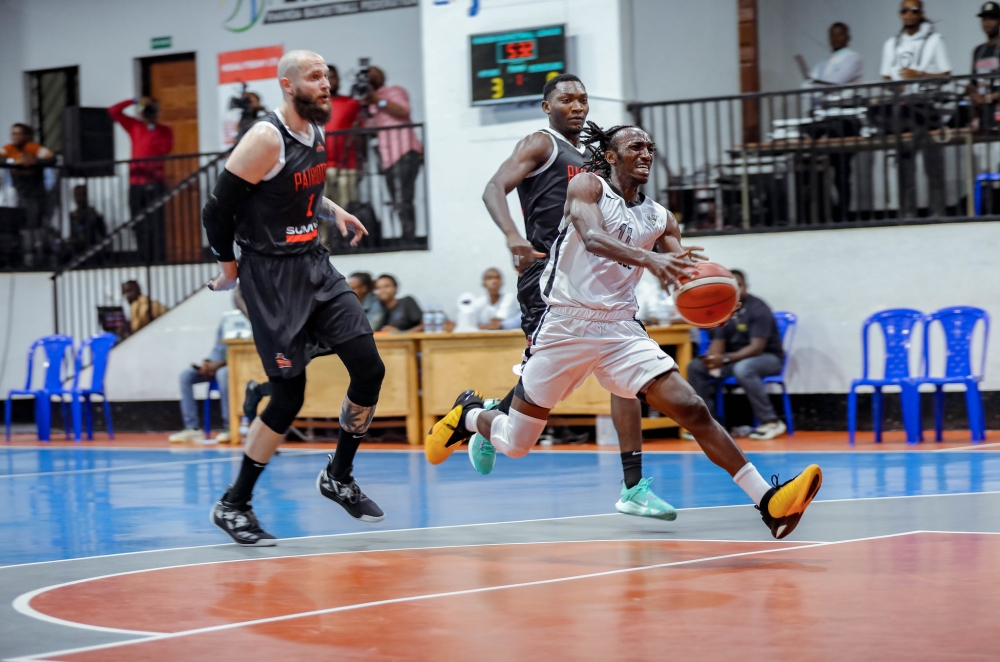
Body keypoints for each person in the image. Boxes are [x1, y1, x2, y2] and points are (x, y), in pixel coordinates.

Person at [428, 122, 822, 540]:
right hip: (566, 324)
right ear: (611, 156)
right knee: (516, 443)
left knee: (692, 408)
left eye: (650, 147)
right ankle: (470, 416)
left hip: (620, 329)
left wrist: (714, 300)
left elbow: (682, 275)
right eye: (636, 146)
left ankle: (768, 502)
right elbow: (593, 237)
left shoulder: (661, 218)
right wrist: (650, 259)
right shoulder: (587, 187)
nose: (646, 153)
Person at [202, 49, 386, 546]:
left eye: (327, 75)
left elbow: (292, 190)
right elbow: (216, 211)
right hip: (271, 277)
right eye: (314, 76)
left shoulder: (316, 130)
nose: (326, 83)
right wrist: (228, 270)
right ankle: (234, 503)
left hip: (314, 264)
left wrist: (333, 211)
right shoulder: (265, 137)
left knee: (369, 369)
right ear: (287, 84)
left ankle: (338, 476)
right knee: (289, 396)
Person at [479, 73, 653, 510]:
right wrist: (512, 236)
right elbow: (494, 187)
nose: (577, 106)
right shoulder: (542, 144)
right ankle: (481, 417)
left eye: (582, 99)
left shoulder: (594, 159)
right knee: (544, 383)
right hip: (545, 277)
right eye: (566, 99)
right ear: (547, 107)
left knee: (627, 377)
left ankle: (633, 486)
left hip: (593, 279)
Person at [687, 270, 787, 441]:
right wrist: (713, 359)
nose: (734, 290)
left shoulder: (758, 308)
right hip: (734, 359)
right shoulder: (721, 309)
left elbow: (756, 348)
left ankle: (770, 421)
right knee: (696, 367)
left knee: (744, 368)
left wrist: (725, 359)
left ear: (745, 286)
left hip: (768, 358)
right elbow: (718, 340)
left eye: (738, 285)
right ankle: (708, 425)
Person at [879, 0, 951, 218]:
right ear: (900, 14)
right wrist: (896, 85)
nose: (909, 15)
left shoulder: (934, 40)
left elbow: (946, 75)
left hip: (928, 107)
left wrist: (918, 75)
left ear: (921, 13)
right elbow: (885, 77)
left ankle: (938, 214)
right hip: (902, 109)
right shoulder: (892, 44)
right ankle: (907, 215)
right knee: (905, 166)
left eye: (913, 10)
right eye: (904, 11)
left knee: (933, 165)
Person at [361, 65, 423, 244]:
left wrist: (377, 101)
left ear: (382, 76)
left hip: (404, 151)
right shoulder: (369, 102)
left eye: (374, 73)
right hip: (387, 157)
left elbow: (403, 111)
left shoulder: (395, 91)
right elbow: (370, 127)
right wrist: (364, 108)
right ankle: (405, 235)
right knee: (396, 199)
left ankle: (409, 238)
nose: (370, 77)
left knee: (403, 198)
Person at [109, 97, 174, 263]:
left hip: (156, 182)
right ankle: (143, 258)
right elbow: (113, 111)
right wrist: (135, 100)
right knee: (138, 222)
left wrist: (153, 127)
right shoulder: (135, 126)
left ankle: (158, 259)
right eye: (148, 109)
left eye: (153, 109)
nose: (149, 112)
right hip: (136, 183)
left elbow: (165, 149)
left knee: (156, 223)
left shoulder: (164, 130)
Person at [169, 306, 233, 445]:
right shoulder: (228, 319)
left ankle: (230, 427)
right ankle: (192, 428)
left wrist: (221, 364)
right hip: (218, 364)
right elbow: (218, 348)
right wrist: (208, 363)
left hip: (237, 366)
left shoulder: (257, 318)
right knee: (186, 376)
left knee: (222, 374)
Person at [2, 123, 54, 268]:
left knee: (35, 226)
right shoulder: (9, 149)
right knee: (20, 226)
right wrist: (14, 161)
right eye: (13, 134)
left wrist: (34, 162)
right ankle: (22, 255)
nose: (15, 137)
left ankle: (38, 256)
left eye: (19, 134)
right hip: (17, 195)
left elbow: (52, 159)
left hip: (35, 195)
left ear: (27, 136)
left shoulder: (34, 149)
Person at [324, 65, 362, 211]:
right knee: (322, 212)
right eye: (326, 78)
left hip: (348, 165)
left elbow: (361, 132)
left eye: (333, 77)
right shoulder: (313, 106)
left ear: (339, 79)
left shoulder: (351, 103)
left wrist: (361, 162)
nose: (330, 81)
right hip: (320, 167)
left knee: (346, 208)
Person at [969, 2, 1000, 132]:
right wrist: (973, 94)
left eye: (992, 18)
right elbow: (973, 82)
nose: (988, 23)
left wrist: (988, 97)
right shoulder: (978, 51)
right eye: (984, 19)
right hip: (983, 115)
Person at [68, 185, 107, 259]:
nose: (79, 198)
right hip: (76, 254)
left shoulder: (93, 215)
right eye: (76, 195)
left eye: (82, 195)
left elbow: (100, 236)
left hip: (91, 254)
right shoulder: (72, 216)